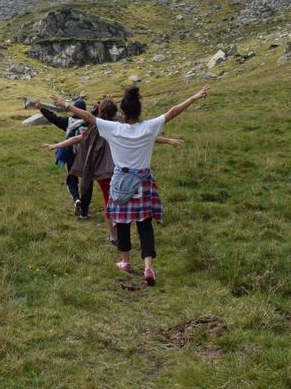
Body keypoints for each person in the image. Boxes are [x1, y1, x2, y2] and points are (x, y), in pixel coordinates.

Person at [55, 84, 210, 286]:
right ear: (139, 110)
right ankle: (148, 267)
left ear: (123, 111)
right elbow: (172, 111)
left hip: (121, 181)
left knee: (122, 223)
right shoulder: (149, 127)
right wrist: (193, 98)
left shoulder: (114, 129)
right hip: (143, 182)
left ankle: (125, 262)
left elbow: (89, 117)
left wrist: (66, 105)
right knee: (145, 224)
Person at [43, 98, 183, 243]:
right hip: (123, 172)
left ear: (100, 110)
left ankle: (114, 235)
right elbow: (145, 135)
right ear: (116, 111)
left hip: (103, 173)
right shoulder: (122, 126)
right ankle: (130, 228)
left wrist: (57, 145)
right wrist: (167, 140)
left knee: (108, 202)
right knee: (125, 201)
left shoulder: (98, 127)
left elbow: (78, 138)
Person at [34, 98, 90, 216]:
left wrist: (41, 108)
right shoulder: (90, 123)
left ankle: (76, 199)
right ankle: (84, 213)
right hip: (87, 156)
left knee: (71, 179)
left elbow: (53, 118)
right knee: (87, 182)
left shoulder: (68, 122)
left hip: (72, 155)